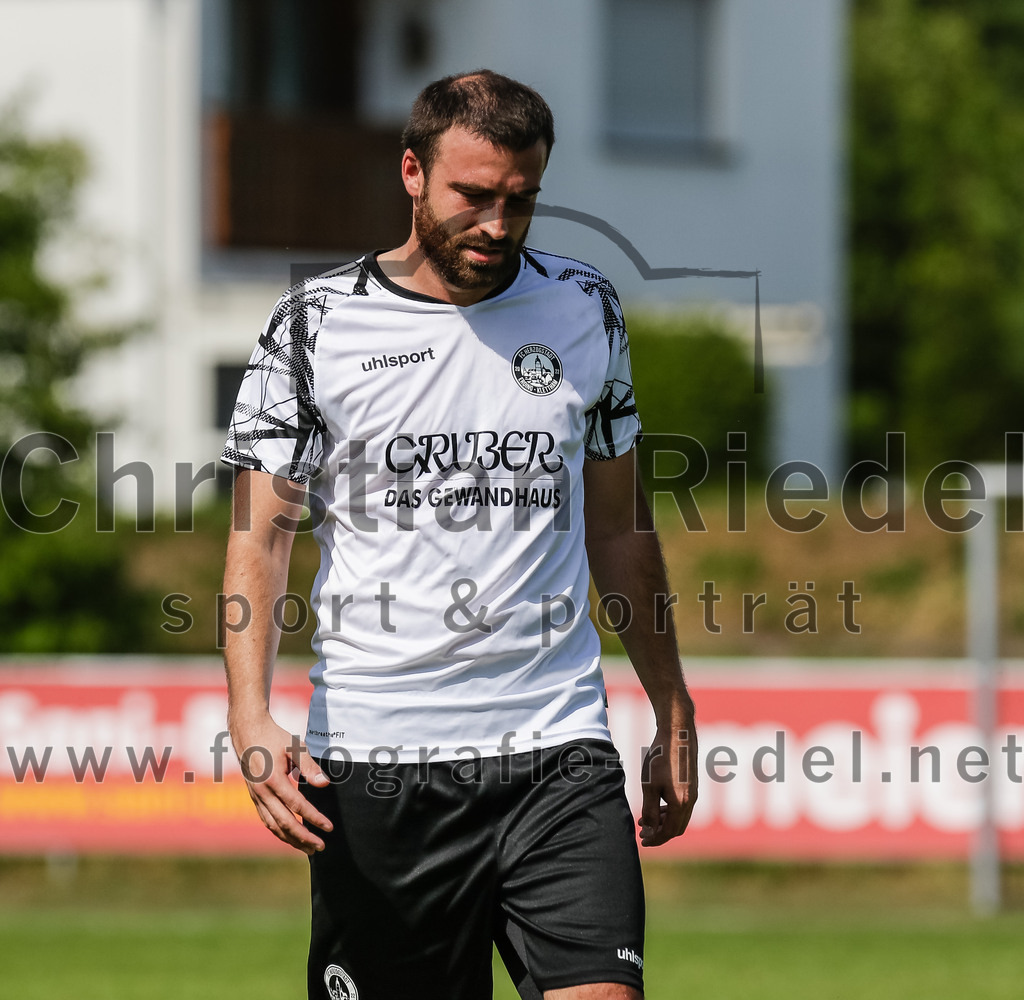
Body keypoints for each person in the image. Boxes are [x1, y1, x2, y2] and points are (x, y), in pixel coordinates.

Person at [221, 69, 697, 1000]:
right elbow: (261, 536)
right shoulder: (314, 325)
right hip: (378, 760)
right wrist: (248, 712)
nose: (496, 225)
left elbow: (619, 526)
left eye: (520, 201)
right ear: (411, 171)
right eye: (472, 196)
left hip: (559, 749)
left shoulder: (585, 309)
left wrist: (670, 701)